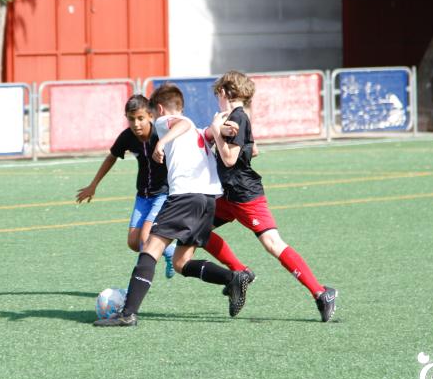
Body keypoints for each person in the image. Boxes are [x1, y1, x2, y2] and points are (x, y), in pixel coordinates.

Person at [94, 83, 246, 327]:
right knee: (180, 263)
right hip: (207, 200)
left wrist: (161, 142)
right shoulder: (198, 131)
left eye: (153, 114)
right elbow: (207, 132)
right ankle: (234, 277)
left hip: (185, 197)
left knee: (150, 249)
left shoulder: (168, 122)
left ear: (160, 110)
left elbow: (182, 123)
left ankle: (128, 314)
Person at [208, 70, 338, 322]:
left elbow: (230, 158)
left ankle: (321, 294)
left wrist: (216, 131)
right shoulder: (238, 117)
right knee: (197, 231)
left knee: (273, 244)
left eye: (218, 95)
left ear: (224, 92)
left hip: (246, 196)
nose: (218, 100)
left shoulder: (237, 118)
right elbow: (253, 150)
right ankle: (239, 273)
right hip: (227, 195)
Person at [76, 95, 177, 278]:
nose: (136, 124)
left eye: (140, 118)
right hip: (143, 196)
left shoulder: (160, 134)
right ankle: (170, 250)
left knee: (146, 239)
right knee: (133, 243)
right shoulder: (127, 137)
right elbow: (111, 157)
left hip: (163, 194)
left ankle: (141, 281)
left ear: (150, 116)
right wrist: (93, 185)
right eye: (131, 119)